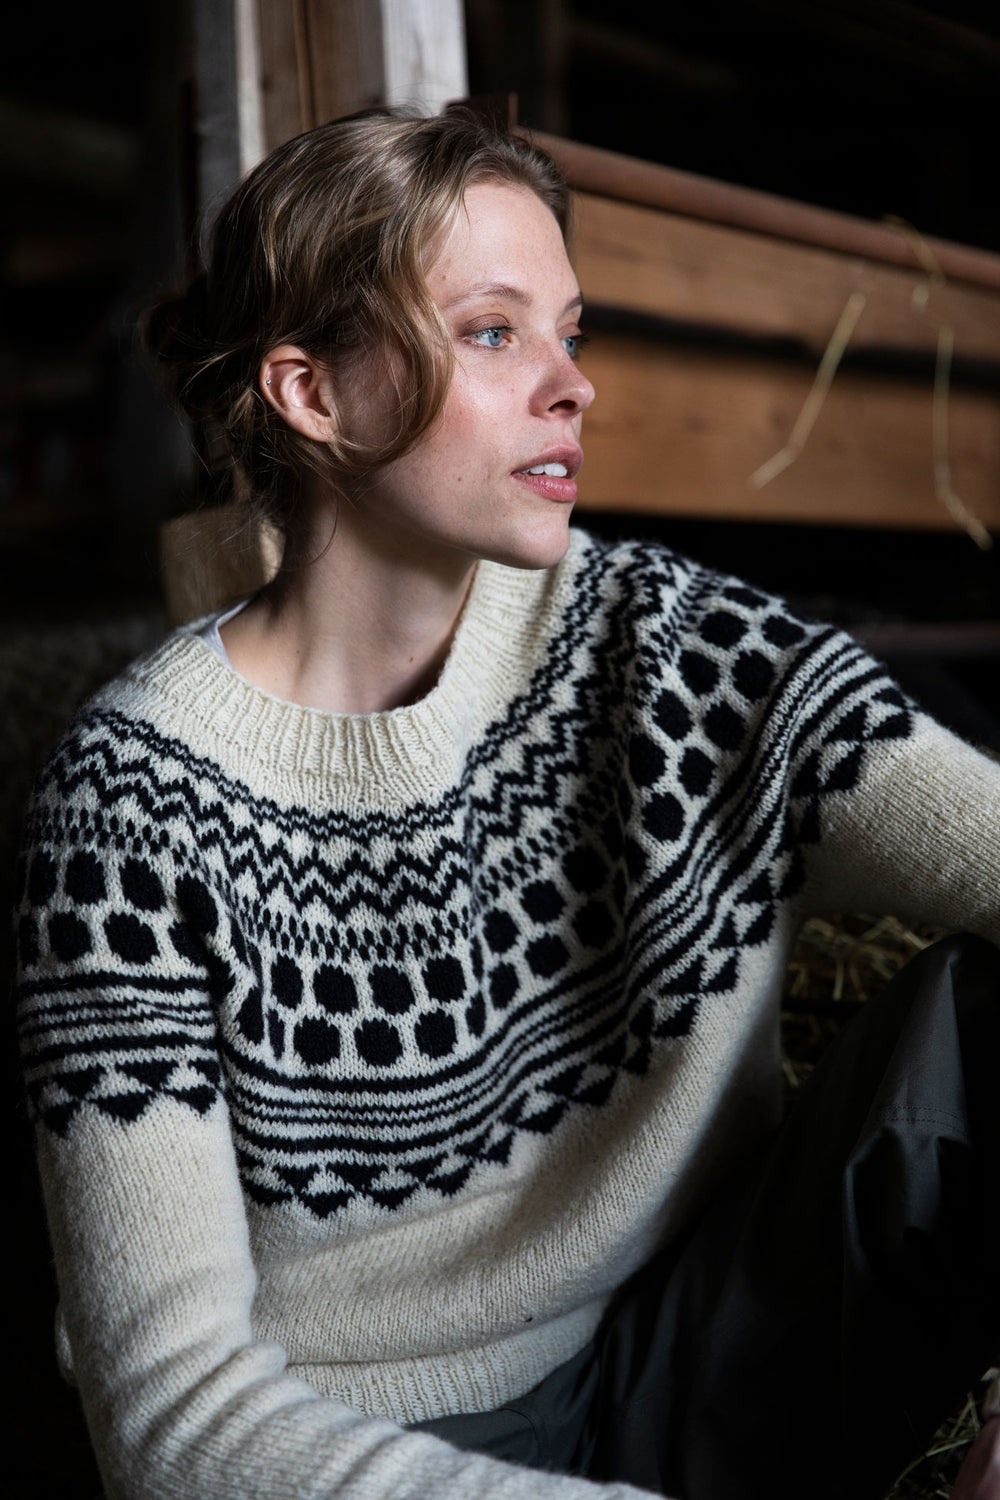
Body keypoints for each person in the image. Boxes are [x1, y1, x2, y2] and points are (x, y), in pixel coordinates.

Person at [14, 105, 999, 1500]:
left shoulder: (669, 646)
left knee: (977, 1018)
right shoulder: (127, 815)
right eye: (492, 333)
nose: (573, 386)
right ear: (312, 393)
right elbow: (173, 1421)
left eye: (570, 331)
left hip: (708, 1346)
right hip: (370, 1460)